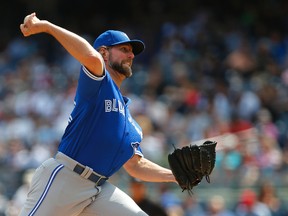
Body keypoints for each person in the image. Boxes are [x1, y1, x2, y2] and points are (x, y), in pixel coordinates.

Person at [19, 12, 176, 216]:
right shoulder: (99, 84)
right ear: (104, 52)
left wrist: (175, 175)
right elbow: (90, 57)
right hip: (66, 178)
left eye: (132, 52)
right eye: (124, 49)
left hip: (98, 190)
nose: (131, 55)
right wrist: (47, 26)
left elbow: (136, 166)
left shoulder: (129, 121)